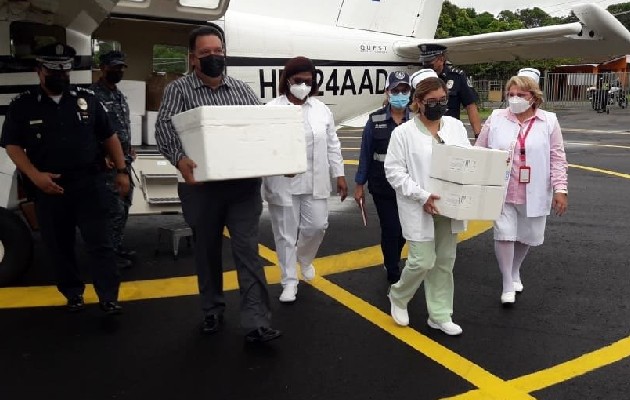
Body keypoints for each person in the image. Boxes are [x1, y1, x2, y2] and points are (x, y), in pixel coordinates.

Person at [155, 26, 281, 343]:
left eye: (218, 51)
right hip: (202, 186)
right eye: (206, 53)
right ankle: (212, 309)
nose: (214, 57)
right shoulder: (179, 90)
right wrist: (179, 158)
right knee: (206, 250)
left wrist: (279, 159)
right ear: (193, 58)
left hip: (242, 188)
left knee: (247, 251)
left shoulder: (242, 90)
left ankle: (256, 322)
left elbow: (261, 131)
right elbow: (164, 130)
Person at [0, 43, 129, 314]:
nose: (60, 76)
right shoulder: (22, 105)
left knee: (101, 243)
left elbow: (109, 136)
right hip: (50, 188)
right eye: (54, 71)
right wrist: (34, 177)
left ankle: (108, 297)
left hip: (89, 184)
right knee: (59, 246)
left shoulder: (87, 100)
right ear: (39, 71)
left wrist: (121, 171)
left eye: (65, 71)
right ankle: (73, 293)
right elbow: (12, 145)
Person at [384, 70, 470, 336]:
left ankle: (440, 314)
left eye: (443, 99)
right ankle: (398, 296)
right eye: (432, 100)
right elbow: (394, 172)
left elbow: (468, 159)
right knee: (422, 260)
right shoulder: (403, 134)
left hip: (450, 205)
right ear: (418, 101)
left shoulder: (454, 126)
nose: (439, 105)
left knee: (444, 260)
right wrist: (422, 196)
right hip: (420, 205)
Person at [475, 68, 568, 305]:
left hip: (534, 189)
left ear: (534, 97)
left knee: (527, 235)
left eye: (521, 94)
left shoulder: (549, 121)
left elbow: (557, 157)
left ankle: (515, 269)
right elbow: (479, 150)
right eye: (511, 93)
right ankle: (507, 282)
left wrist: (560, 189)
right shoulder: (496, 118)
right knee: (504, 234)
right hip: (502, 187)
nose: (514, 98)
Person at [262, 56, 347, 303]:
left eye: (308, 82)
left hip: (315, 179)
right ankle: (289, 281)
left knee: (317, 225)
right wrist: (278, 166)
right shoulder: (271, 109)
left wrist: (339, 174)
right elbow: (264, 147)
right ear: (287, 80)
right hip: (283, 182)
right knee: (285, 234)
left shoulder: (321, 110)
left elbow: (333, 143)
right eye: (298, 81)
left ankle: (305, 259)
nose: (303, 86)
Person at [354, 71, 411, 284]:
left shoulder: (417, 119)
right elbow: (365, 153)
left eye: (404, 90)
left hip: (409, 184)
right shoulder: (374, 119)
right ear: (387, 92)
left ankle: (392, 256)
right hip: (382, 184)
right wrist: (359, 184)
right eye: (395, 90)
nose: (400, 94)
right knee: (391, 227)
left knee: (405, 229)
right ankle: (393, 268)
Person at [90, 50, 135, 269]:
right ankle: (107, 257)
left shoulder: (118, 95)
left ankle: (115, 247)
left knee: (124, 206)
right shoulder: (91, 96)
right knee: (112, 210)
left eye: (121, 68)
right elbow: (90, 131)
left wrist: (129, 147)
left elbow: (123, 126)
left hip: (124, 160)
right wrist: (101, 155)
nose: (118, 71)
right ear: (103, 68)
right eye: (114, 67)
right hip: (107, 164)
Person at [413, 44, 482, 138]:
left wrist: (478, 135)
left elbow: (470, 106)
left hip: (450, 131)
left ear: (441, 59)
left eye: (429, 60)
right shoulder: (418, 78)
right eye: (424, 61)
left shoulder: (456, 76)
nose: (425, 64)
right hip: (424, 130)